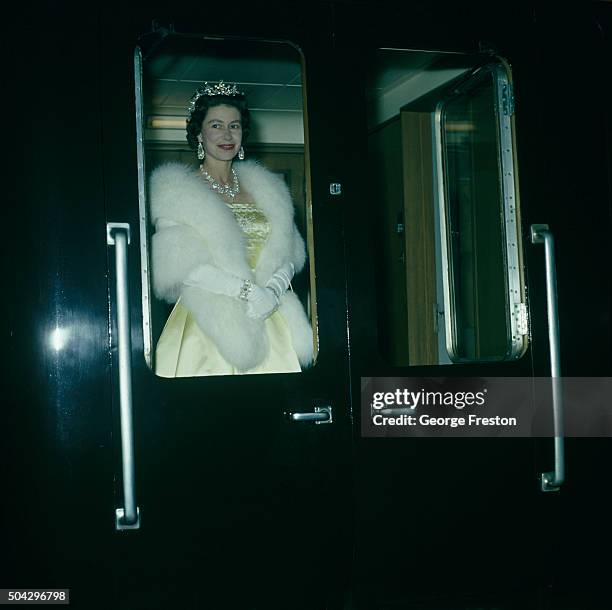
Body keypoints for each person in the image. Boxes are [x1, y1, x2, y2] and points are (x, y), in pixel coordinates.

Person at [149, 81, 314, 377]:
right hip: (209, 319)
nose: (227, 135)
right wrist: (249, 293)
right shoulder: (176, 193)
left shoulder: (269, 190)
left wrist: (272, 292)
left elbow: (288, 251)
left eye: (234, 126)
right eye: (216, 125)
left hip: (270, 313)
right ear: (199, 133)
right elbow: (185, 269)